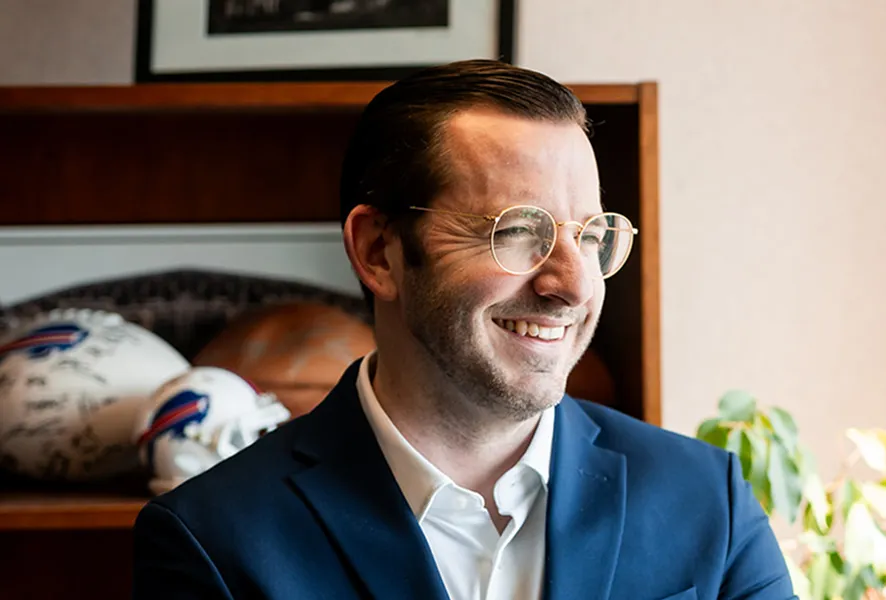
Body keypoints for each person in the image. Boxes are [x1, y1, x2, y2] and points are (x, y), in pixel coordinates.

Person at [131, 59, 796, 600]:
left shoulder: (707, 499)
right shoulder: (213, 541)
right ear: (378, 251)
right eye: (515, 232)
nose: (570, 285)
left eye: (591, 236)